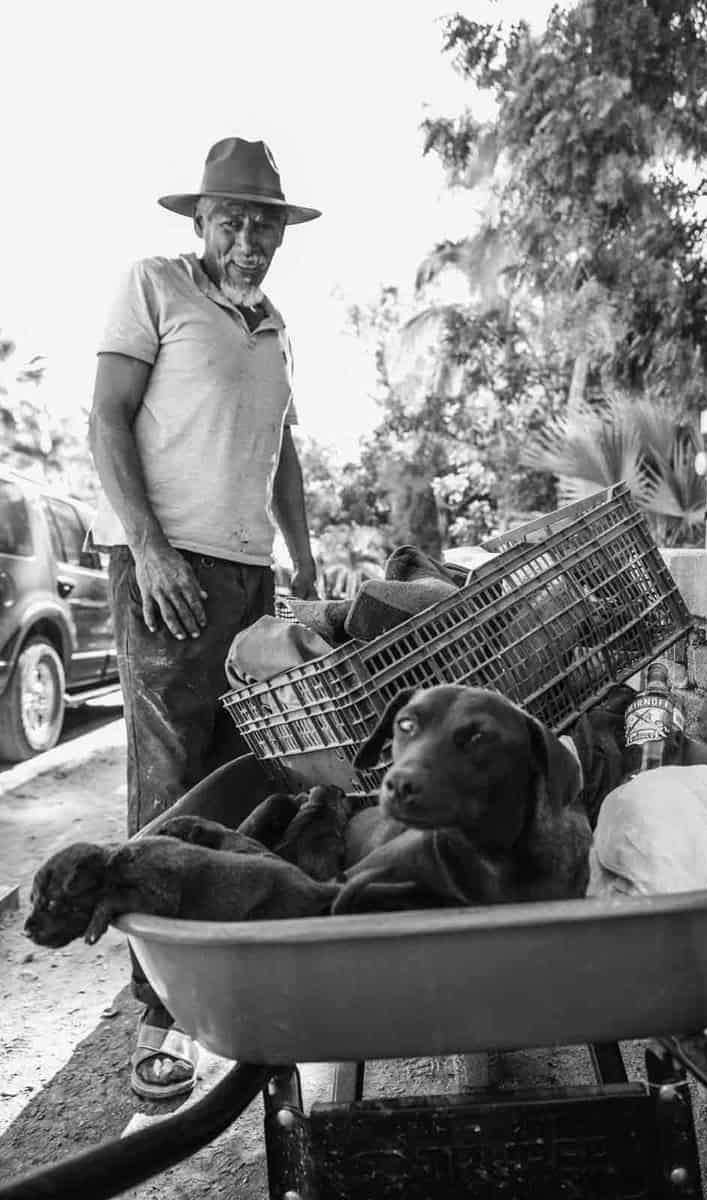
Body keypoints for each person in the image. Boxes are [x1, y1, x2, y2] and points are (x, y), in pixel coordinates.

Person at [88, 137, 320, 1100]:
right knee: (169, 786)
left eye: (265, 223)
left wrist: (304, 558)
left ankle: (226, 990)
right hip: (168, 570)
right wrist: (148, 549)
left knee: (238, 778)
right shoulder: (156, 287)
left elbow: (281, 454)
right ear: (200, 221)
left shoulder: (274, 327)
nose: (249, 238)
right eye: (231, 220)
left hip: (248, 577)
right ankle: (161, 1016)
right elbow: (106, 418)